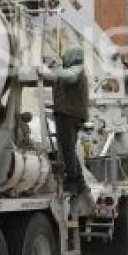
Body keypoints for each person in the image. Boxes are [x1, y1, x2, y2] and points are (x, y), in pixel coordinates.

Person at [51, 47, 90, 195]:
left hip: (68, 115)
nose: (64, 57)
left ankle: (73, 180)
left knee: (67, 150)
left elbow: (69, 77)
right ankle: (79, 181)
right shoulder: (75, 70)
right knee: (69, 150)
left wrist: (54, 68)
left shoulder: (77, 70)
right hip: (71, 115)